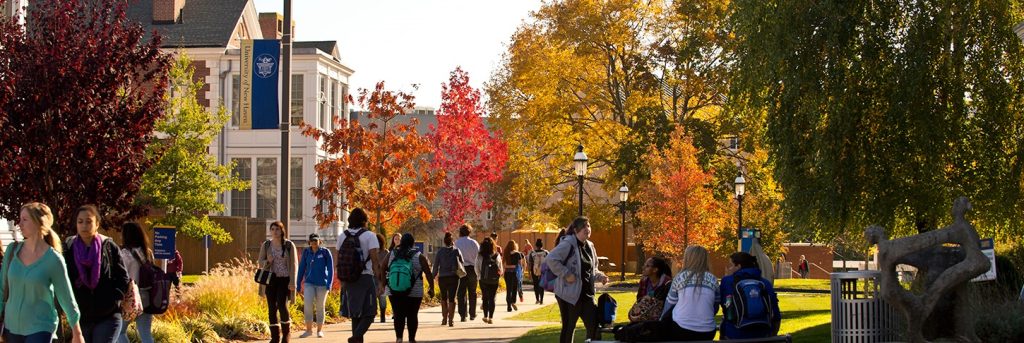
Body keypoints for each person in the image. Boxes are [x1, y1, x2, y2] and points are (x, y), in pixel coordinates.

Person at [1, 202, 85, 343]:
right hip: (11, 327)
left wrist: (77, 333)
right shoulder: (12, 251)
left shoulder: (53, 259)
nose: (19, 224)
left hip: (41, 327)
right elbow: (1, 288)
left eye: (24, 220)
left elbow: (66, 297)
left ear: (38, 222)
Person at [64, 205, 130, 343]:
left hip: (108, 315)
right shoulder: (68, 248)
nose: (84, 226)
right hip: (80, 317)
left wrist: (115, 299)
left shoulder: (109, 247)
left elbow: (123, 277)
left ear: (97, 224)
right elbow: (64, 279)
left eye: (89, 221)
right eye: (80, 222)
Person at [546, 217, 608, 343]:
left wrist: (600, 276)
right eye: (583, 226)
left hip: (587, 295)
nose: (587, 229)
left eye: (589, 226)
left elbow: (593, 268)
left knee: (594, 326)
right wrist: (566, 274)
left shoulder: (590, 246)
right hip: (569, 295)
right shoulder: (568, 244)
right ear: (575, 230)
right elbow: (551, 259)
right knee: (569, 328)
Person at [339, 208, 384, 343]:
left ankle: (356, 338)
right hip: (365, 277)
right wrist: (381, 282)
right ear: (365, 220)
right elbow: (375, 262)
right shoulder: (370, 236)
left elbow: (339, 260)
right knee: (370, 313)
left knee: (355, 314)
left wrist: (342, 281)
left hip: (349, 280)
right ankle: (356, 337)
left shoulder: (343, 236)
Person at [660, 245, 719, 340]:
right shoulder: (713, 279)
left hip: (681, 329)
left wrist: (661, 320)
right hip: (708, 330)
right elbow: (715, 307)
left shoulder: (679, 278)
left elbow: (669, 305)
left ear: (688, 258)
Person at [720, 252, 781, 340]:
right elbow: (775, 312)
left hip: (734, 333)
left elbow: (727, 306)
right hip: (762, 334)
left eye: (731, 265)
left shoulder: (728, 281)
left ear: (738, 266)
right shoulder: (765, 283)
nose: (729, 268)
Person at [386, 233, 434, 343]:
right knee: (412, 315)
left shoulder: (392, 254)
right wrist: (431, 288)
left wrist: (382, 284)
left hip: (394, 290)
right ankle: (411, 339)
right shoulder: (419, 256)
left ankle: (399, 338)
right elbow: (428, 273)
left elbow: (383, 268)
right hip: (414, 292)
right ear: (413, 243)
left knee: (398, 314)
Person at [257, 221, 298, 343]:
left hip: (284, 279)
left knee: (281, 304)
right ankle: (274, 337)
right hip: (271, 279)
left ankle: (286, 334)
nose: (275, 232)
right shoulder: (266, 245)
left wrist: (292, 282)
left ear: (282, 231)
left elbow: (294, 265)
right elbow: (260, 262)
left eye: (277, 229)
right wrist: (267, 261)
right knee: (271, 308)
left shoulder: (289, 245)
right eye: (273, 229)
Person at [117, 222, 154, 343]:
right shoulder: (147, 253)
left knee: (119, 332)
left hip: (130, 297)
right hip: (147, 296)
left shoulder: (124, 254)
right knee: (145, 334)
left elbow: (121, 277)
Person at [296, 233, 334, 338]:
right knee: (308, 305)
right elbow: (301, 268)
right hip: (309, 283)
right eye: (312, 240)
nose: (314, 242)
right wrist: (298, 284)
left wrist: (329, 284)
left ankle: (319, 330)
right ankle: (308, 330)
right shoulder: (306, 252)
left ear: (319, 241)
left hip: (322, 284)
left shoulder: (325, 252)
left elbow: (331, 269)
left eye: (316, 240)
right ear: (309, 242)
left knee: (320, 306)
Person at [432, 231, 463, 327]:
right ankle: (451, 320)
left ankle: (444, 319)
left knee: (444, 297)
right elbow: (462, 262)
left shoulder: (440, 252)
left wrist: (432, 277)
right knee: (452, 298)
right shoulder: (456, 250)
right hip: (454, 277)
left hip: (443, 278)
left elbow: (436, 266)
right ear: (452, 241)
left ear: (444, 242)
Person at [454, 224, 480, 322]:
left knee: (461, 292)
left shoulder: (457, 243)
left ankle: (462, 315)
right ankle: (472, 314)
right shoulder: (474, 243)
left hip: (461, 269)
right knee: (472, 292)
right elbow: (478, 257)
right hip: (472, 269)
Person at [476, 237, 503, 324]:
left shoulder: (480, 255)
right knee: (492, 298)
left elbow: (476, 267)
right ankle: (491, 317)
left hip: (483, 279)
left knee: (485, 298)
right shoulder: (497, 255)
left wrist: (479, 276)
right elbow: (500, 269)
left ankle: (485, 316)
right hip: (494, 280)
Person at [503, 240, 524, 312]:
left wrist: (509, 266)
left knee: (508, 290)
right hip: (515, 273)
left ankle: (508, 306)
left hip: (507, 274)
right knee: (514, 289)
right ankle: (513, 302)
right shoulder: (518, 254)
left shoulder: (505, 253)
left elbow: (504, 265)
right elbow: (520, 265)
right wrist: (515, 266)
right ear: (514, 246)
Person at [527, 239, 549, 304]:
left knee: (536, 284)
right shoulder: (546, 252)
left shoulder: (532, 253)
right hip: (543, 270)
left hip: (534, 270)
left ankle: (537, 299)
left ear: (536, 245)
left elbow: (530, 263)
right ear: (542, 245)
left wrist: (529, 273)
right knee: (542, 285)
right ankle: (541, 300)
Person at [374, 233, 389, 323]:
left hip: (383, 278)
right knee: (373, 298)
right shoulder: (371, 252)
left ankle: (382, 316)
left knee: (382, 298)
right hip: (373, 277)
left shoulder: (385, 252)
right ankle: (373, 315)